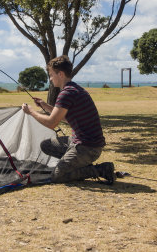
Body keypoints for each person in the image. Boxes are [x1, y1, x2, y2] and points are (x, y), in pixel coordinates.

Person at [22, 55, 115, 184]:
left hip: (88, 147)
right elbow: (66, 118)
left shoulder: (66, 93)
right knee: (46, 145)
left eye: (51, 75)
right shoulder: (73, 89)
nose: (50, 79)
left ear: (60, 74)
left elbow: (51, 123)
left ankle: (101, 169)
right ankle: (76, 164)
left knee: (57, 176)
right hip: (80, 142)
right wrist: (44, 105)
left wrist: (31, 112)